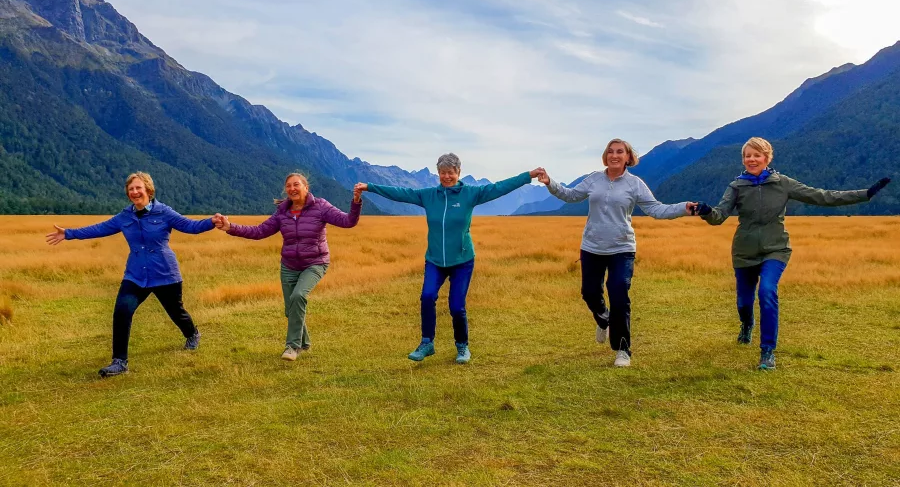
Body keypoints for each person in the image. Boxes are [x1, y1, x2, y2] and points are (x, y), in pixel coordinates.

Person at [694, 137, 891, 370]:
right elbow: (718, 216)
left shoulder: (783, 183)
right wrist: (706, 211)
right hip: (744, 252)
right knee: (744, 303)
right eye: (747, 155)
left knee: (767, 291)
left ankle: (767, 352)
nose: (752, 159)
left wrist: (865, 194)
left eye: (757, 155)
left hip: (776, 249)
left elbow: (822, 196)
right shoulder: (737, 187)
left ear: (767, 158)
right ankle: (747, 324)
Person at [354, 154, 543, 364]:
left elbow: (499, 187)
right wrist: (370, 187)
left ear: (458, 172)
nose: (446, 176)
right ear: (438, 173)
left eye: (450, 172)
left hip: (462, 260)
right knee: (427, 297)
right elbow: (401, 193)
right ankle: (427, 343)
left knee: (456, 307)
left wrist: (528, 175)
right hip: (435, 260)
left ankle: (462, 347)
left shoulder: (471, 194)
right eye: (443, 172)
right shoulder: (429, 195)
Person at [538, 139, 697, 368]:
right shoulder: (594, 179)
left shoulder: (635, 184)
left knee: (619, 292)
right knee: (589, 293)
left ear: (628, 157)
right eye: (610, 151)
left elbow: (656, 209)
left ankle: (623, 349)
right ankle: (604, 320)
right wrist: (549, 182)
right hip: (592, 247)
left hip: (622, 248)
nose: (614, 155)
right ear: (606, 156)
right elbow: (570, 195)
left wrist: (683, 208)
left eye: (620, 152)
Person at [45, 172, 219, 377]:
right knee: (122, 311)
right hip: (135, 275)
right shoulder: (124, 217)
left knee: (176, 312)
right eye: (131, 189)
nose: (135, 192)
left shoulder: (164, 212)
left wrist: (211, 221)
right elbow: (99, 229)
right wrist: (68, 233)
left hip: (164, 273)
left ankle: (192, 334)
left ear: (148, 190)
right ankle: (119, 362)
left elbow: (190, 226)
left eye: (138, 188)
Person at [215, 172, 362, 361]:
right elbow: (259, 231)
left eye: (296, 184)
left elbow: (348, 222)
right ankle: (305, 343)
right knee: (290, 309)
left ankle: (292, 347)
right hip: (289, 265)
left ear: (306, 187)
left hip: (315, 263)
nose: (292, 188)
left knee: (298, 296)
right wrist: (230, 227)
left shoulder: (321, 206)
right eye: (289, 186)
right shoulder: (282, 212)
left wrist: (356, 201)